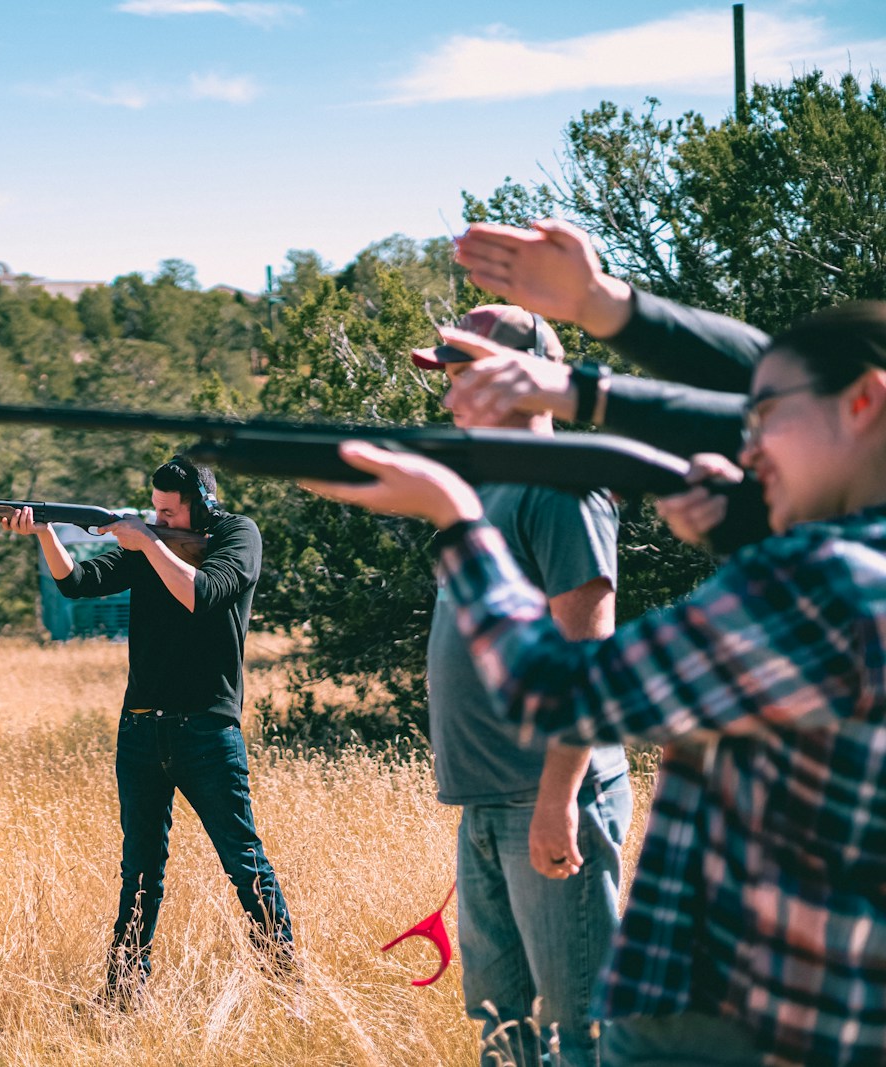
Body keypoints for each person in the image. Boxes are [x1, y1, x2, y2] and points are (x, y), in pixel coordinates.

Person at [307, 301, 886, 1067]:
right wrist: (743, 525)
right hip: (795, 1008)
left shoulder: (818, 578)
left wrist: (454, 520)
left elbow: (564, 684)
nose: (746, 448)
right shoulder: (840, 563)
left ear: (864, 402)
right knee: (507, 1016)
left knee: (568, 1025)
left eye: (765, 414)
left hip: (724, 1011)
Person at [411, 304, 631, 1067]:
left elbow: (588, 660)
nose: (449, 394)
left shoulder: (561, 488)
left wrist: (557, 800)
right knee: (502, 1020)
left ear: (527, 376)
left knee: (581, 1025)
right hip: (486, 800)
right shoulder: (486, 488)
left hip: (545, 798)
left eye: (463, 372)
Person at [5, 456, 293, 1006]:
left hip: (207, 731)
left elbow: (201, 594)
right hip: (140, 731)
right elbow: (77, 583)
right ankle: (121, 996)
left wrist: (146, 541)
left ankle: (287, 988)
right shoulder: (152, 544)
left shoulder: (238, 535)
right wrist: (45, 534)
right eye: (153, 510)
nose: (158, 520)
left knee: (244, 864)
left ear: (202, 506)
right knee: (139, 871)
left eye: (168, 512)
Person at [449, 219, 774, 550]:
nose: (450, 400)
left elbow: (782, 399)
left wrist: (586, 392)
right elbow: (776, 382)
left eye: (469, 374)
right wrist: (741, 519)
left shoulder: (561, 497)